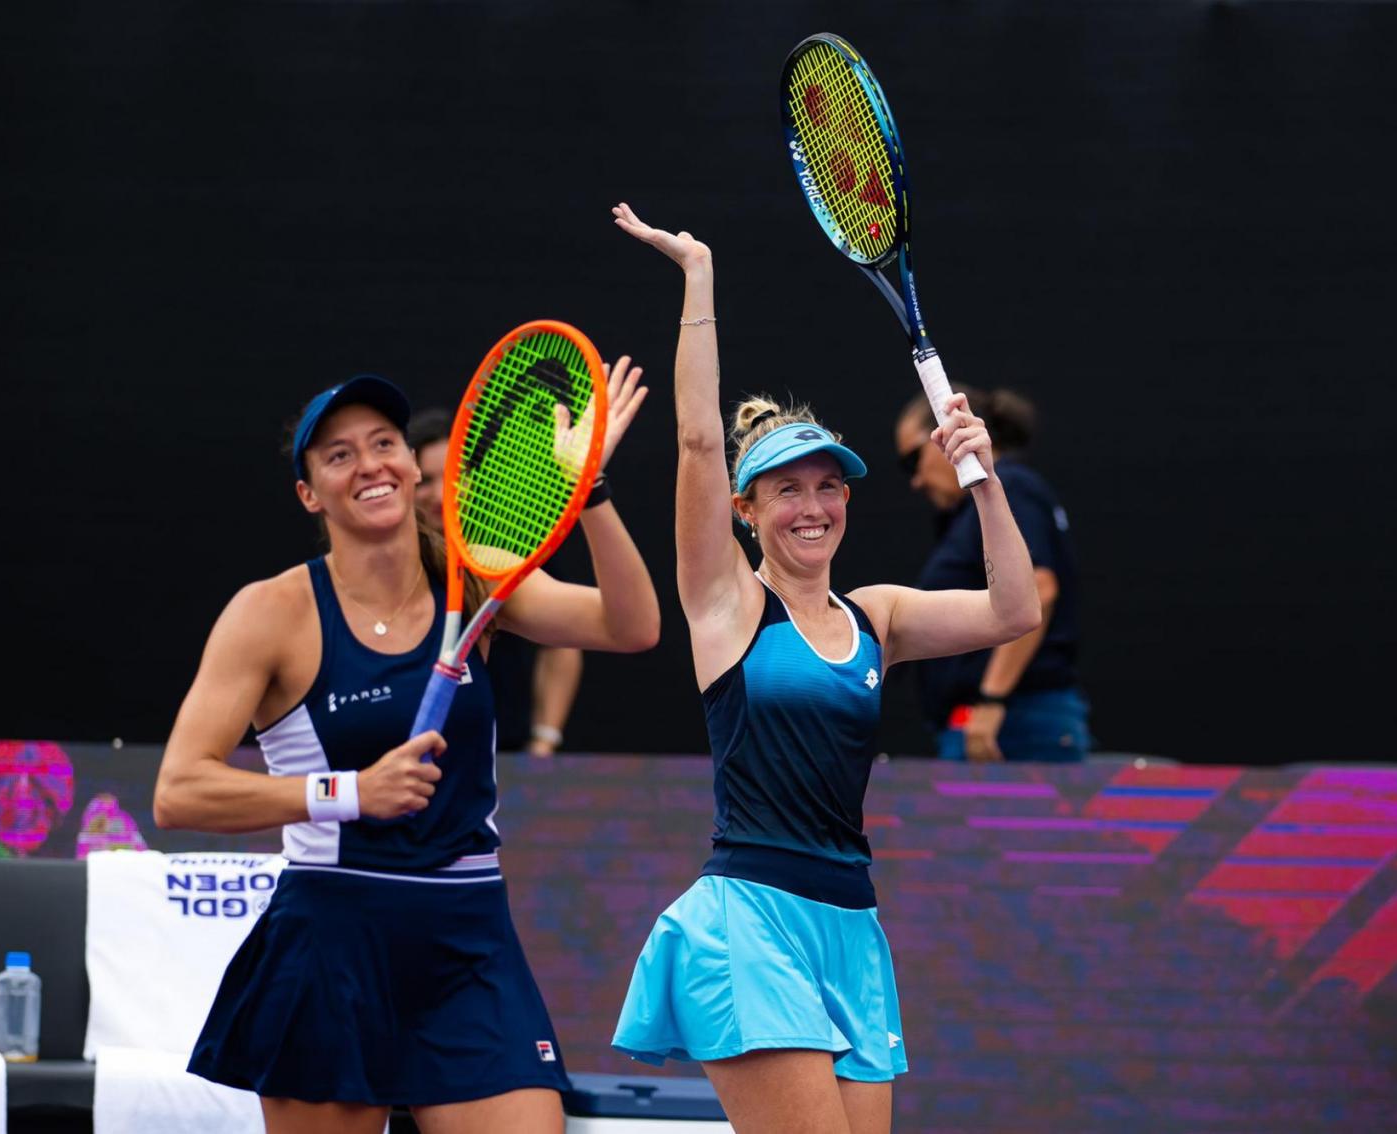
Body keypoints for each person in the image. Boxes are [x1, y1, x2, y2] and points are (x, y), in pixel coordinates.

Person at [605, 203, 1042, 1134]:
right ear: (745, 511)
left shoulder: (874, 616)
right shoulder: (725, 604)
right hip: (749, 924)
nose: (813, 505)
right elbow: (693, 441)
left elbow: (1015, 610)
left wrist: (983, 479)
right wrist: (699, 277)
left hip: (850, 928)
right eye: (786, 489)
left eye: (828, 484)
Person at [152, 365, 659, 1134]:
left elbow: (633, 627)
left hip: (467, 937)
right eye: (339, 455)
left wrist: (589, 491)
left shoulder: (480, 578)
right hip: (330, 939)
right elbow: (180, 791)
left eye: (384, 443)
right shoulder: (270, 612)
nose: (371, 465)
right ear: (309, 494)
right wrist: (348, 792)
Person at [896, 388, 1088, 762]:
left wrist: (992, 699)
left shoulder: (1009, 487)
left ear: (943, 435)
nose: (915, 480)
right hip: (997, 721)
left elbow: (1040, 589)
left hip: (1015, 724)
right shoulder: (968, 514)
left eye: (911, 461)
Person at [408, 407, 586, 756]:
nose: (441, 493)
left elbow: (565, 643)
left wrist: (545, 739)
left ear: (473, 477)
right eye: (425, 481)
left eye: (452, 476)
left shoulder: (508, 550)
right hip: (409, 754)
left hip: (505, 751)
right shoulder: (391, 559)